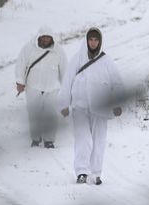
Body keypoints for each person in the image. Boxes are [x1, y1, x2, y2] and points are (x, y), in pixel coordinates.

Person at [60, 27, 124, 185]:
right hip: (79, 106)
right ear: (86, 40)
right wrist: (63, 103)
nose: (93, 42)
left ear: (100, 41)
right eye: (91, 39)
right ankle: (82, 172)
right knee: (83, 139)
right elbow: (67, 82)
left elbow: (117, 83)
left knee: (98, 140)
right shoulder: (77, 59)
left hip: (100, 108)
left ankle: (95, 173)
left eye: (96, 40)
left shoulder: (107, 61)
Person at [14, 26, 66, 149]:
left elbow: (65, 70)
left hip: (52, 87)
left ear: (52, 38)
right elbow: (20, 65)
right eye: (44, 37)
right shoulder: (28, 49)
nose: (46, 39)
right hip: (33, 87)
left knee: (51, 114)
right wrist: (20, 82)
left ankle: (49, 140)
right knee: (33, 113)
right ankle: (35, 138)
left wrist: (66, 87)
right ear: (39, 37)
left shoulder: (59, 51)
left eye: (48, 37)